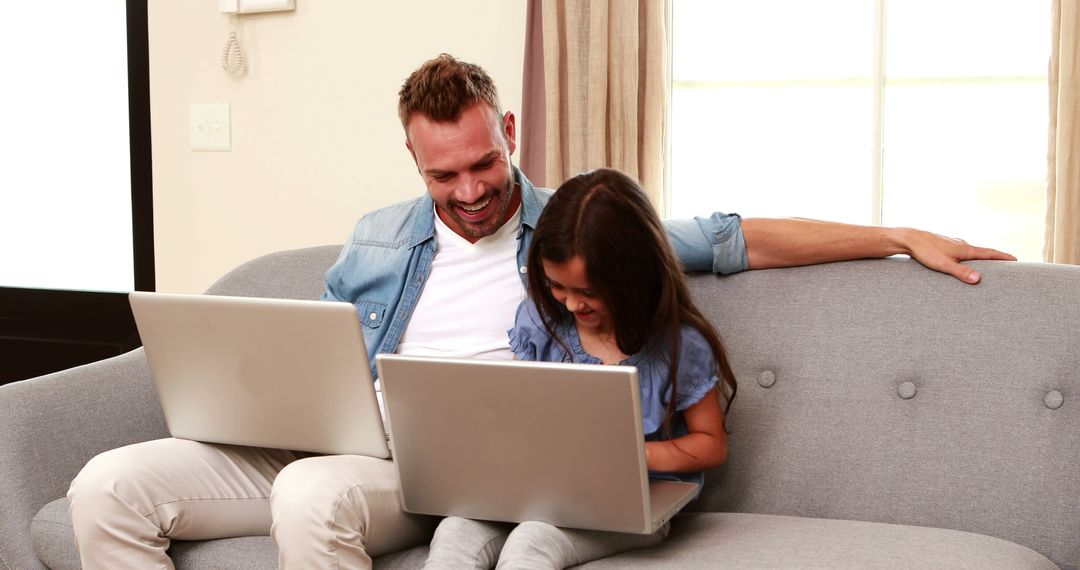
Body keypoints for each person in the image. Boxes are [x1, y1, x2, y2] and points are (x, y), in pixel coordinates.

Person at [66, 53, 1015, 570]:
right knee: (105, 486)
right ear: (413, 161)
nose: (472, 190)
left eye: (485, 163)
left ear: (508, 133)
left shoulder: (577, 236)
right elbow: (311, 356)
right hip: (337, 438)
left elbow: (740, 236)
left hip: (435, 467)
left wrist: (896, 234)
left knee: (311, 496)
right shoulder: (376, 239)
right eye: (445, 174)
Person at [424, 167, 738, 569]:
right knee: (455, 530)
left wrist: (633, 455)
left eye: (588, 293)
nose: (571, 305)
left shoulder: (678, 346)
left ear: (634, 278)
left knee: (532, 543)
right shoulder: (540, 323)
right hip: (541, 489)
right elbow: (516, 415)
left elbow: (711, 444)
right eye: (558, 286)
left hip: (632, 499)